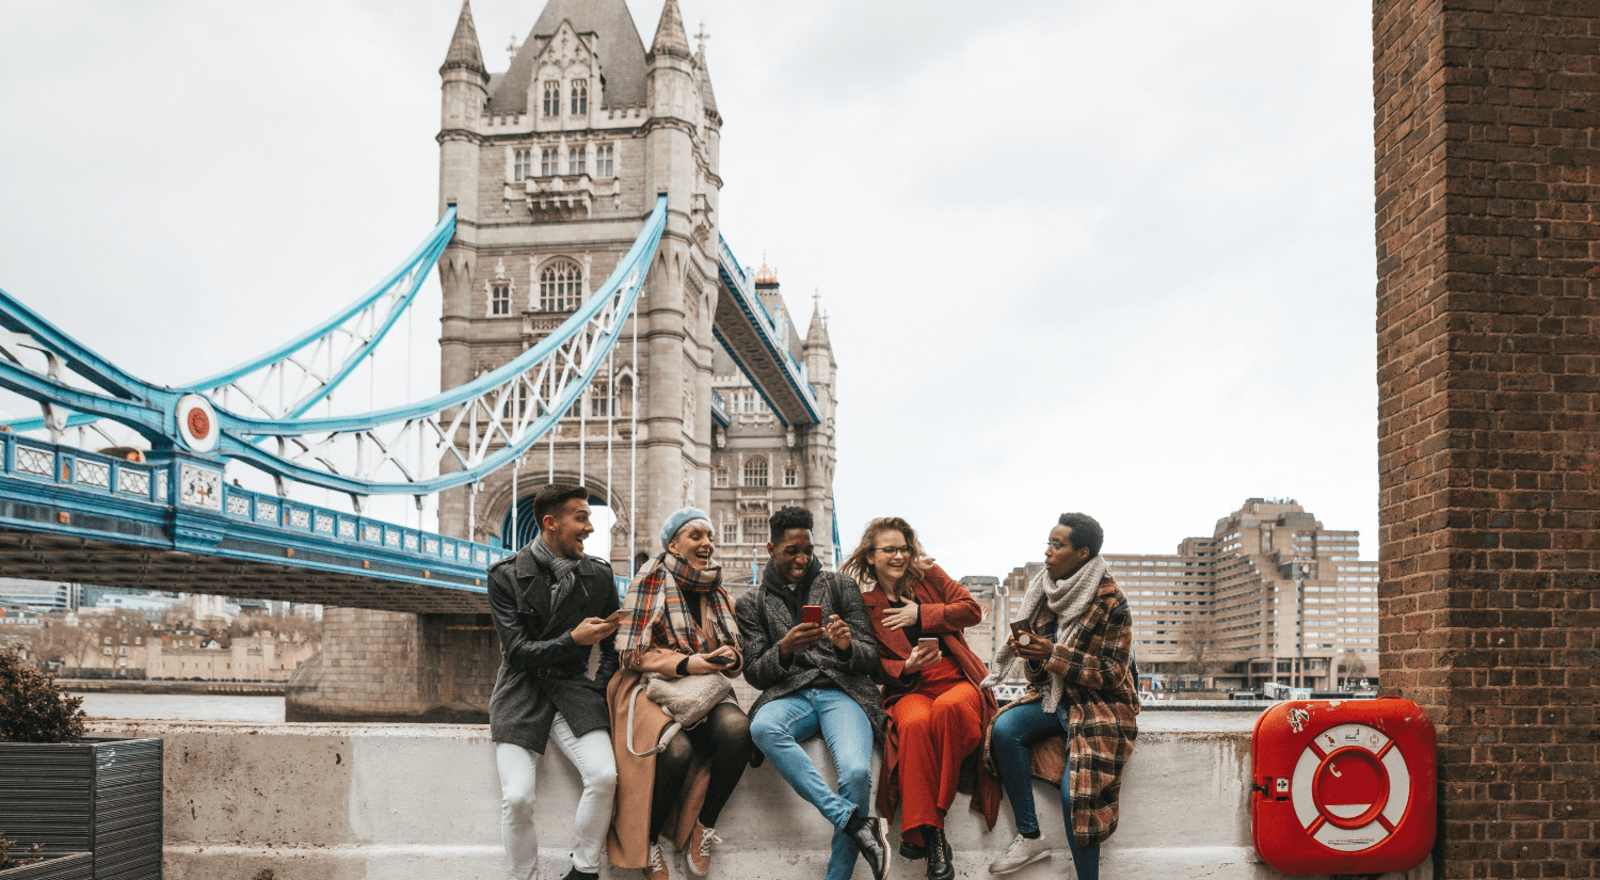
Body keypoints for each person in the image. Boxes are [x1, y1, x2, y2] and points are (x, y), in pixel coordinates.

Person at [735, 506, 893, 880]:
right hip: (790, 695)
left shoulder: (841, 587)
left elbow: (871, 660)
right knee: (761, 729)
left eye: (807, 550)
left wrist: (845, 645)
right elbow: (755, 673)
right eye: (792, 551)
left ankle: (836, 876)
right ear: (772, 548)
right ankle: (855, 824)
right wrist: (785, 649)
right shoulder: (751, 602)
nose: (802, 559)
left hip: (843, 691)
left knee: (856, 772)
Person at [980, 513, 1139, 880]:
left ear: (1082, 553)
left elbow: (1113, 674)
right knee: (1004, 729)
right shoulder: (1045, 590)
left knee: (1076, 795)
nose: (1048, 553)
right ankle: (1030, 835)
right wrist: (1034, 659)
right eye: (1047, 544)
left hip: (1103, 705)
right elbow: (1038, 676)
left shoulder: (1113, 602)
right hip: (1056, 697)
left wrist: (1052, 655)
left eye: (1057, 545)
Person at [843, 517, 1000, 880]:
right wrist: (907, 665)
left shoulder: (929, 575)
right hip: (909, 687)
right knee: (912, 725)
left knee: (948, 711)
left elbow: (971, 610)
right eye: (889, 550)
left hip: (955, 679)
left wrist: (921, 614)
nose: (899, 556)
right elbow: (872, 666)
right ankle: (936, 838)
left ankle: (926, 826)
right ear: (870, 555)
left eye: (903, 548)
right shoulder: (865, 604)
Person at [608, 508, 753, 880]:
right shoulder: (648, 581)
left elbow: (734, 653)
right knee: (677, 751)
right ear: (673, 544)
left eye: (710, 537)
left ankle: (704, 827)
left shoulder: (716, 589)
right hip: (650, 685)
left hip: (702, 689)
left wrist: (729, 657)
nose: (707, 543)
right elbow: (630, 653)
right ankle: (649, 841)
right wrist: (688, 664)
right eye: (696, 536)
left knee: (739, 731)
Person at [486, 484, 622, 880]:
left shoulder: (598, 576)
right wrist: (572, 640)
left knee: (604, 776)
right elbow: (517, 653)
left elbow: (614, 643)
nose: (591, 528)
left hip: (573, 689)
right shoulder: (506, 576)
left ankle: (584, 870)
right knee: (517, 796)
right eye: (581, 517)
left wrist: (599, 687)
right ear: (551, 523)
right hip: (520, 691)